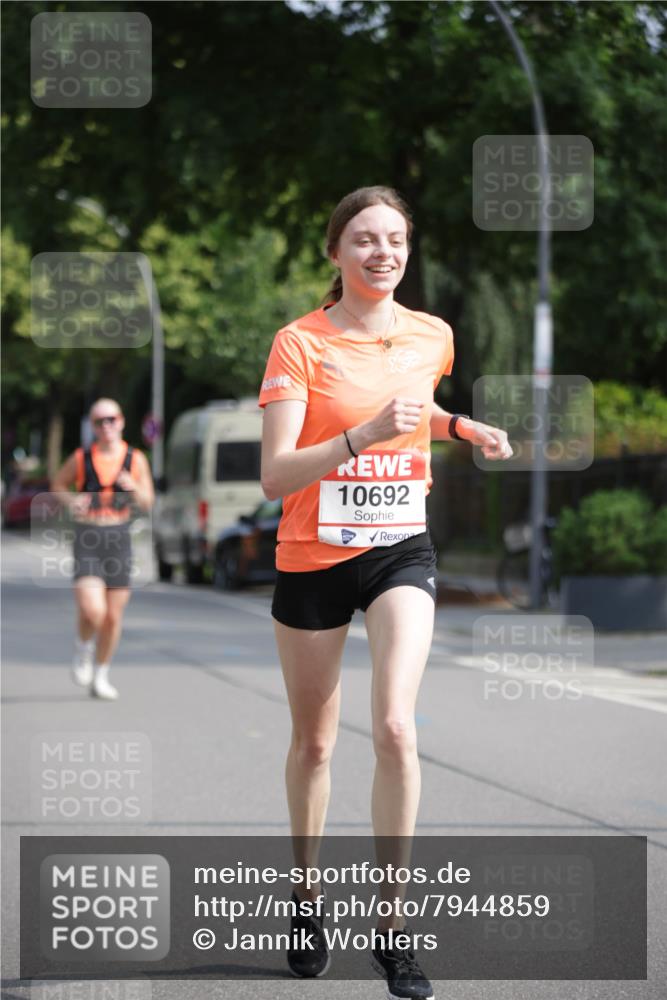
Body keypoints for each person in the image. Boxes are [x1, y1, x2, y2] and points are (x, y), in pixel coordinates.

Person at [259, 186, 513, 999]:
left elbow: (417, 410)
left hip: (400, 545)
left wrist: (460, 426)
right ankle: (305, 898)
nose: (382, 253)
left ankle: (392, 927)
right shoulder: (298, 344)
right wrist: (360, 437)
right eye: (364, 239)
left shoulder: (430, 335)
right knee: (317, 745)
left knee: (398, 728)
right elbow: (274, 475)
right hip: (312, 554)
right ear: (335, 252)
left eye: (395, 239)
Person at [51, 398, 154, 700]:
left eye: (111, 419)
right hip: (88, 536)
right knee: (92, 610)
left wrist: (133, 487)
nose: (106, 425)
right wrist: (72, 502)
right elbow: (58, 484)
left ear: (121, 421)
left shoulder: (135, 460)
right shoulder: (81, 457)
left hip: (119, 538)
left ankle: (101, 674)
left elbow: (148, 502)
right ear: (92, 427)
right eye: (99, 421)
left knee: (112, 617)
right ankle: (83, 648)